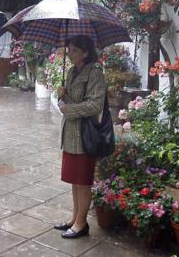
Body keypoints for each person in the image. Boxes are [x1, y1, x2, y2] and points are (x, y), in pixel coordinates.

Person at [54, 35, 106, 238]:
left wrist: (70, 109)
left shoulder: (95, 74)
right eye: (69, 49)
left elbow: (95, 105)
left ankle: (82, 223)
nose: (70, 53)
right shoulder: (71, 72)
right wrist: (62, 95)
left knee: (83, 181)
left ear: (85, 52)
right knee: (74, 180)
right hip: (70, 134)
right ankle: (74, 217)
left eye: (74, 49)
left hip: (85, 135)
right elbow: (70, 102)